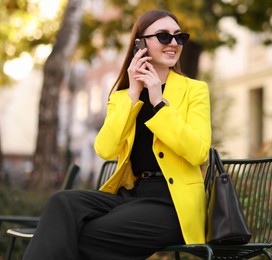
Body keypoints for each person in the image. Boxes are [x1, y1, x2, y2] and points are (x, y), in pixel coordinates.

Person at [23, 9, 211, 260]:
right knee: (62, 202)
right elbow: (105, 148)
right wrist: (134, 94)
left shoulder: (195, 90)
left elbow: (198, 151)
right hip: (131, 196)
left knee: (84, 234)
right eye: (164, 37)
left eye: (179, 37)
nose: (174, 43)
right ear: (140, 44)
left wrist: (159, 102)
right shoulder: (122, 97)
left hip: (173, 203)